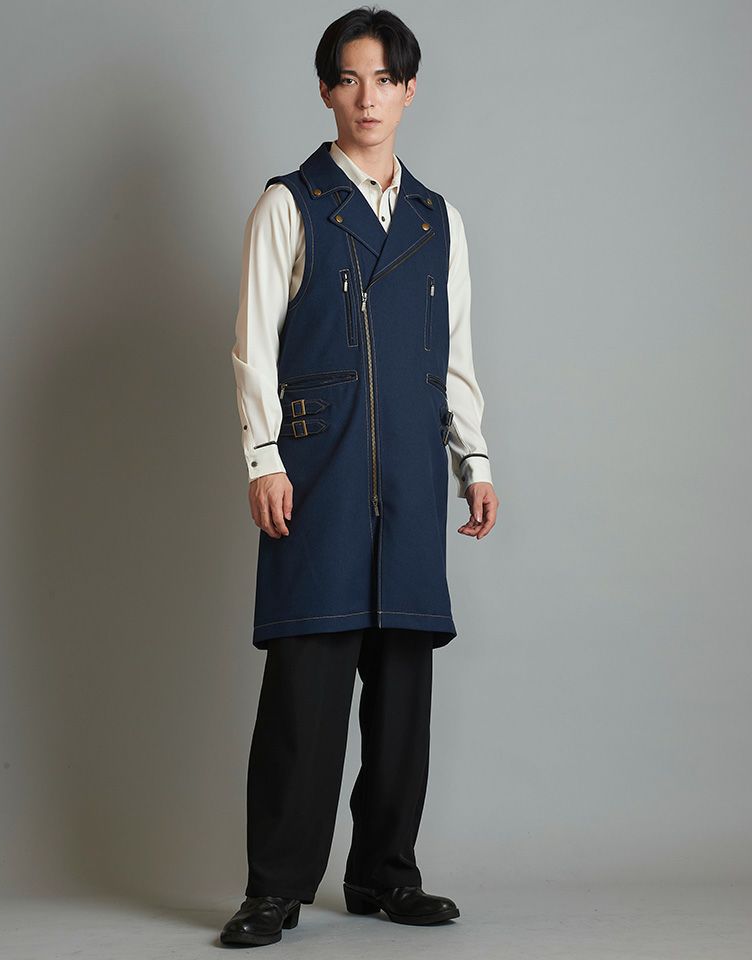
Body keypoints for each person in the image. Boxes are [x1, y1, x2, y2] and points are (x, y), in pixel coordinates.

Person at [223, 5, 499, 947]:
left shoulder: (438, 219)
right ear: (326, 90)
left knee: (403, 690)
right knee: (306, 688)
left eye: (384, 79)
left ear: (410, 90)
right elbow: (252, 346)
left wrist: (474, 461)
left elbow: (453, 355)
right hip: (320, 472)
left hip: (413, 474)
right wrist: (263, 457)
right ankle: (274, 888)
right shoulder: (289, 203)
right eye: (348, 79)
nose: (366, 97)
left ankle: (385, 874)